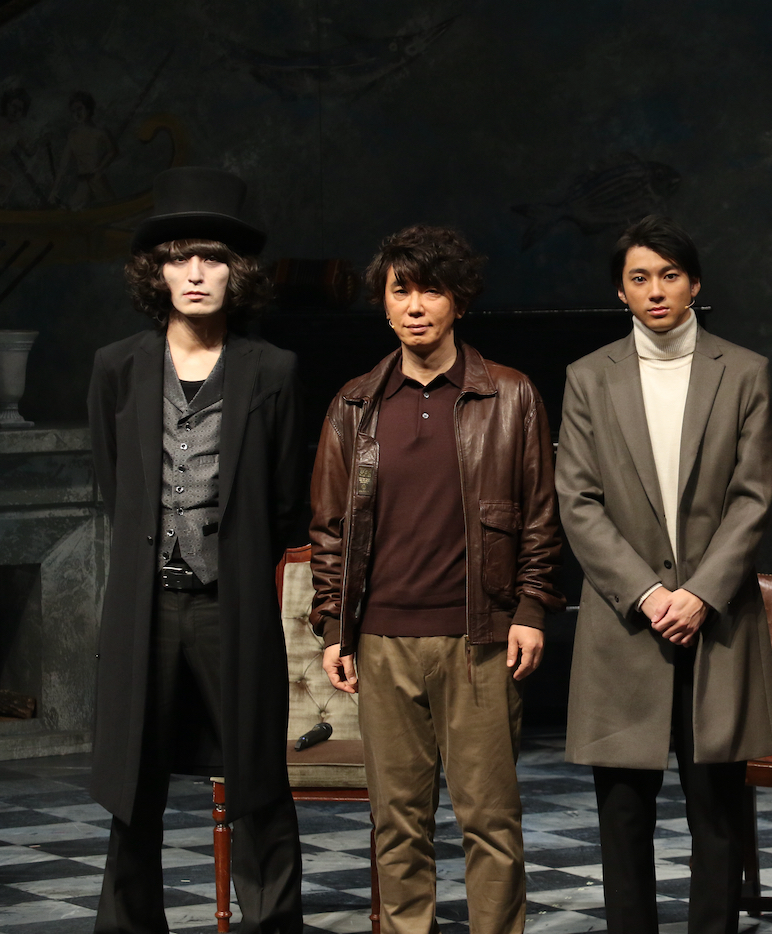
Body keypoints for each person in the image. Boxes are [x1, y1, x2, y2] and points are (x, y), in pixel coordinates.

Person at [309, 224, 564, 934]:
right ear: (384, 303)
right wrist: (333, 626)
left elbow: (541, 516)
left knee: (490, 822)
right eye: (401, 291)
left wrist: (531, 610)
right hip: (382, 642)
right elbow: (329, 528)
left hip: (478, 639)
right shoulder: (354, 404)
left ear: (459, 300)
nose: (416, 305)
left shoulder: (509, 395)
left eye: (431, 290)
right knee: (397, 825)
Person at [88, 166, 304, 933]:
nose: (196, 272)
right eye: (180, 257)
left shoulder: (272, 371)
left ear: (236, 271)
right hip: (146, 607)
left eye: (212, 257)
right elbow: (116, 486)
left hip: (228, 606)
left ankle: (272, 922)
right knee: (131, 783)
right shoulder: (117, 367)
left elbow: (284, 499)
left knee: (257, 778)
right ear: (158, 271)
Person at [556, 214, 772, 934]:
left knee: (716, 812)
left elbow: (753, 497)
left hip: (716, 622)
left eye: (670, 275)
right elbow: (578, 500)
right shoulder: (588, 377)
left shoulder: (743, 371)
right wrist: (650, 593)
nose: (656, 290)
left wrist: (700, 594)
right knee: (623, 815)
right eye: (639, 278)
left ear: (695, 284)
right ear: (620, 291)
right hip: (627, 621)